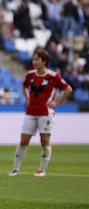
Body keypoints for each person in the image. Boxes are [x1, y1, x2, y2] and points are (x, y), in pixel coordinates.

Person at [8, 48, 72, 177]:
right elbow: (24, 86)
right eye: (33, 59)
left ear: (44, 61)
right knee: (23, 141)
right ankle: (15, 169)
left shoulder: (53, 76)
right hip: (31, 112)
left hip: (46, 113)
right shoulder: (30, 74)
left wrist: (56, 103)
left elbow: (68, 89)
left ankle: (42, 170)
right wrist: (28, 99)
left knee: (44, 141)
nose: (34, 61)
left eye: (37, 59)